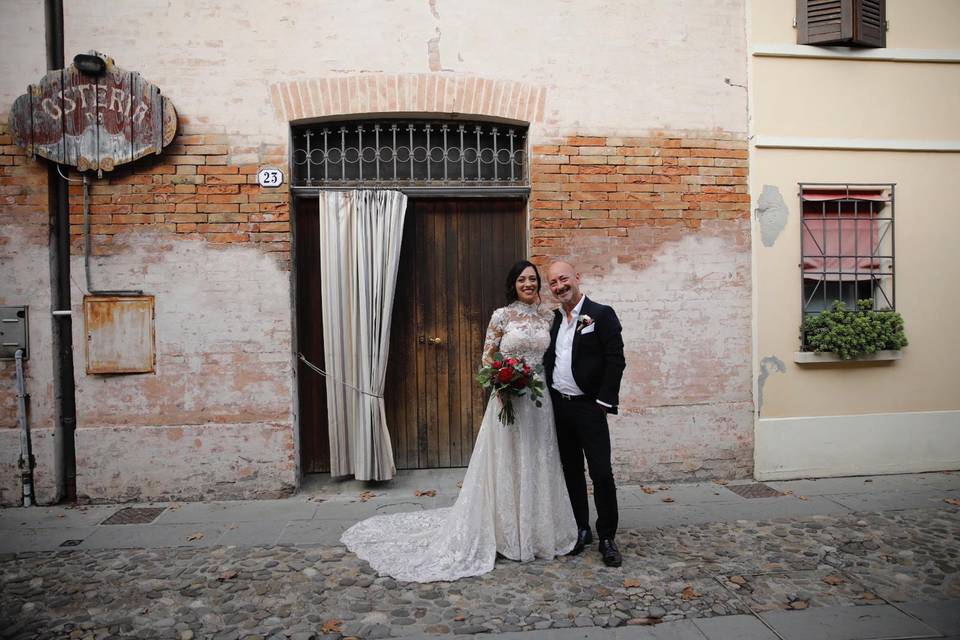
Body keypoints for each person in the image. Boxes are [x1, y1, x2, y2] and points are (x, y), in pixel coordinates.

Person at [340, 260, 577, 582]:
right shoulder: (502, 316)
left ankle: (536, 529)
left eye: (533, 279)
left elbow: (555, 355)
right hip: (507, 397)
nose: (528, 284)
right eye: (522, 279)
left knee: (539, 459)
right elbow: (487, 357)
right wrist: (502, 379)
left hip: (538, 401)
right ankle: (505, 530)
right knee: (506, 461)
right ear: (513, 284)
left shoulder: (549, 317)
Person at [544, 261, 626, 567]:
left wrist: (604, 402)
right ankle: (581, 529)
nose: (559, 286)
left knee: (601, 472)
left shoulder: (601, 314)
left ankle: (607, 536)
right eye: (553, 283)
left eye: (563, 279)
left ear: (577, 278)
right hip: (560, 407)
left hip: (589, 407)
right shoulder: (553, 320)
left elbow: (615, 360)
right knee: (571, 472)